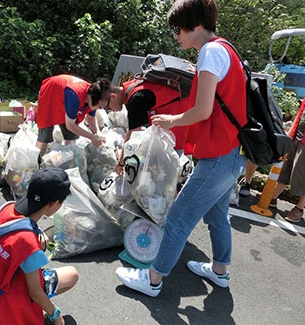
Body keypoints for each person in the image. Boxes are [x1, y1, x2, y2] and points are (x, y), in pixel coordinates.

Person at [116, 0, 247, 297]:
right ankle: (220, 272)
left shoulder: (210, 53)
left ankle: (152, 280)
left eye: (178, 29)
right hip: (232, 152)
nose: (175, 35)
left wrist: (170, 121)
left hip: (217, 155)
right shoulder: (227, 48)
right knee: (217, 216)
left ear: (196, 25)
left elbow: (202, 110)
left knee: (177, 219)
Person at [0, 167, 79, 325]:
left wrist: (35, 230)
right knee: (72, 275)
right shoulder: (28, 242)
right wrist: (56, 315)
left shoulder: (7, 208)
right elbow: (34, 291)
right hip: (7, 298)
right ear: (54, 203)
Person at [106, 79, 190, 175]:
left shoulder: (135, 99)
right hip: (175, 116)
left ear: (113, 96)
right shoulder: (132, 84)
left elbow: (133, 134)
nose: (111, 110)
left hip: (175, 126)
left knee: (166, 174)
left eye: (108, 107)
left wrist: (121, 163)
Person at [35, 74, 116, 157]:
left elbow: (91, 118)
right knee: (45, 136)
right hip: (50, 93)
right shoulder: (75, 96)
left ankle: (67, 162)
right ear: (93, 98)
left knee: (71, 140)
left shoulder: (93, 97)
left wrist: (97, 133)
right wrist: (91, 137)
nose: (98, 109)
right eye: (99, 107)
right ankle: (37, 161)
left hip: (65, 97)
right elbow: (70, 125)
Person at [267, 99, 305, 223]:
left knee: (300, 172)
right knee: (286, 167)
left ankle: (299, 207)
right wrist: (290, 131)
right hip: (297, 134)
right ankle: (273, 197)